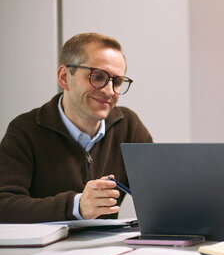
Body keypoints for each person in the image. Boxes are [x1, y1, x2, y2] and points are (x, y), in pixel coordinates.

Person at [0, 33, 153, 223]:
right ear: (64, 77)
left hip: (107, 249)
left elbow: (158, 195)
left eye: (118, 81)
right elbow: (4, 205)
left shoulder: (128, 125)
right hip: (49, 250)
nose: (109, 90)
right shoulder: (25, 130)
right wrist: (76, 206)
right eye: (98, 77)